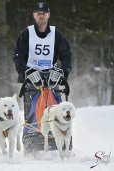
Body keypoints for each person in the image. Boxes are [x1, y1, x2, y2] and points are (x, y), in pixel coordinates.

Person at [13, 2, 72, 154]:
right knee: (33, 107)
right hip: (32, 77)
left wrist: (64, 73)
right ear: (34, 15)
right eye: (38, 12)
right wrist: (24, 72)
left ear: (48, 15)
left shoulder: (56, 34)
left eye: (44, 12)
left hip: (52, 77)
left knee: (57, 107)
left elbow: (66, 55)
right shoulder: (26, 34)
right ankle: (32, 139)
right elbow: (18, 57)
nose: (41, 15)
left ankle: (62, 138)